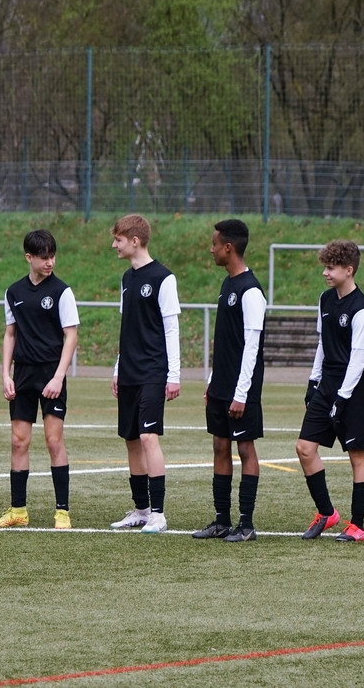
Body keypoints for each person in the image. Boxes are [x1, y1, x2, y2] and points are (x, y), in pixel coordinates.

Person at [0, 229, 79, 530]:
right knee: (18, 442)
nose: (49, 262)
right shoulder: (14, 292)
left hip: (51, 373)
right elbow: (10, 334)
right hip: (23, 374)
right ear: (29, 257)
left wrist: (59, 377)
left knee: (54, 440)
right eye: (43, 257)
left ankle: (62, 511)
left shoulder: (62, 292)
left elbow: (71, 336)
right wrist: (5, 374)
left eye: (52, 256)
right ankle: (18, 511)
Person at [296, 240, 364, 542]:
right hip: (327, 383)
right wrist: (313, 380)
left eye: (331, 268)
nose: (325, 273)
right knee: (305, 447)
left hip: (354, 387)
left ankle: (358, 525)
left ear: (348, 270)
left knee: (357, 454)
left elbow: (359, 358)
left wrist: (343, 397)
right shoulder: (325, 299)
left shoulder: (361, 309)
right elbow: (322, 342)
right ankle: (327, 512)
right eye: (325, 267)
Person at [192, 219, 266, 543]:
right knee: (219, 445)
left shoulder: (251, 291)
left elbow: (252, 347)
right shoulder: (228, 284)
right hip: (221, 386)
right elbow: (225, 342)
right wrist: (212, 380)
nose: (211, 250)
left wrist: (241, 393)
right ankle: (222, 521)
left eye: (214, 244)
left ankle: (246, 525)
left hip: (241, 389)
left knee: (245, 448)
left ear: (228, 247)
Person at [108, 213, 181, 534]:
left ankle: (159, 514)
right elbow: (127, 327)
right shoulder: (127, 279)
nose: (114, 245)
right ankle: (141, 510)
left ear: (135, 241)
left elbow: (171, 328)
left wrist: (174, 374)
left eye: (118, 240)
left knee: (149, 436)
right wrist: (117, 368)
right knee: (132, 439)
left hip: (153, 370)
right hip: (129, 371)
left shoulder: (164, 278)